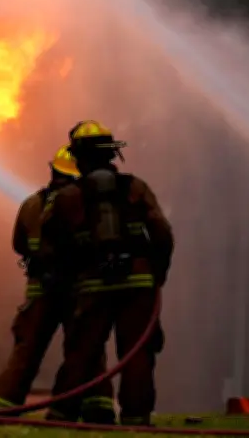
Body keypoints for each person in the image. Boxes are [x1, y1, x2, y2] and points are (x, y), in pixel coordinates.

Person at [40, 120, 174, 426]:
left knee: (82, 351)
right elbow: (162, 234)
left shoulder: (67, 197)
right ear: (111, 153)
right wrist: (157, 273)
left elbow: (50, 246)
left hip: (94, 283)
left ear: (77, 156)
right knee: (137, 353)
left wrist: (65, 279)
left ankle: (61, 415)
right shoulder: (136, 188)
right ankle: (136, 418)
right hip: (139, 282)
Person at [0, 145, 116, 424]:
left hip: (40, 292)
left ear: (53, 170)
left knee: (27, 353)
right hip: (76, 291)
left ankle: (4, 408)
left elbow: (19, 244)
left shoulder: (32, 203)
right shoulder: (83, 204)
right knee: (87, 350)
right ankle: (99, 409)